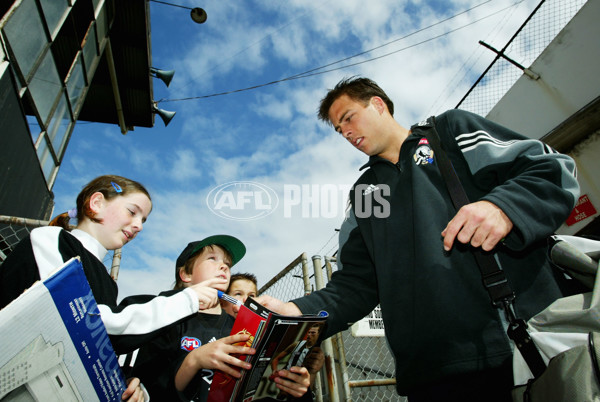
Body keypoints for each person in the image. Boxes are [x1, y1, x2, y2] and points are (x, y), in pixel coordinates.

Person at [256, 77, 581, 401]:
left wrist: (503, 208)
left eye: (349, 117)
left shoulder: (449, 133)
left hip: (519, 348)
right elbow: (354, 285)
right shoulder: (367, 194)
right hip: (430, 376)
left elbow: (550, 169)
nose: (347, 133)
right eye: (340, 130)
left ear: (378, 104)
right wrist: (296, 311)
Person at [0, 175, 224, 401]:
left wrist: (125, 386)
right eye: (132, 212)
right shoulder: (51, 239)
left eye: (143, 220)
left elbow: (97, 350)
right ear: (96, 203)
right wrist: (187, 299)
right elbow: (92, 326)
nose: (138, 226)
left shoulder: (106, 282)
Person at [131, 236, 311, 401]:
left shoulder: (241, 328)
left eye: (227, 263)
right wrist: (194, 360)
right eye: (212, 259)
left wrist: (293, 387)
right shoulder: (166, 316)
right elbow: (146, 385)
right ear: (186, 274)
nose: (224, 266)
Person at [223, 274, 325, 401]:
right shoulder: (215, 336)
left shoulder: (267, 334)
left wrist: (311, 371)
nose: (245, 300)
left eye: (251, 296)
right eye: (238, 294)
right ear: (223, 301)